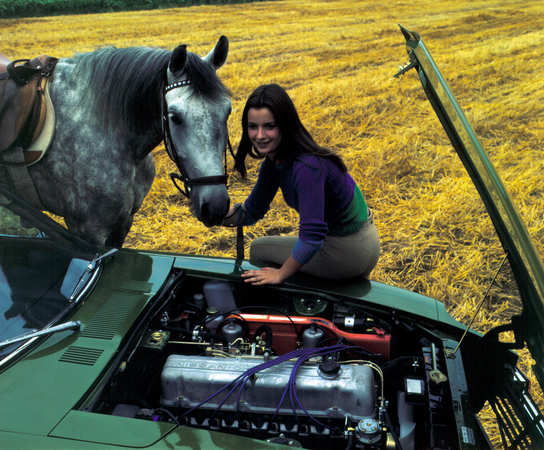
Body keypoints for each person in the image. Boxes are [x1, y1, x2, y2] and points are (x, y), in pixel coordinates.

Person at [222, 83, 380, 285]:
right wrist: (217, 213)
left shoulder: (307, 166)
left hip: (348, 249)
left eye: (269, 126)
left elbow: (312, 238)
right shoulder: (275, 163)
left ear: (285, 125)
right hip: (359, 242)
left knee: (259, 250)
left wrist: (279, 275)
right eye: (253, 126)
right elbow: (251, 212)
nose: (259, 135)